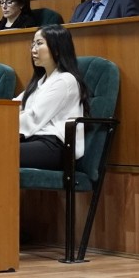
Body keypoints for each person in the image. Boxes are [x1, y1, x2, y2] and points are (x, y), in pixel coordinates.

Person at [15, 25, 90, 170]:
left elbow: (34, 117)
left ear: (57, 48)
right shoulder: (39, 81)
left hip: (54, 145)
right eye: (33, 44)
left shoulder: (65, 80)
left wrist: (4, 125)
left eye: (39, 43)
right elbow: (13, 106)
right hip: (33, 140)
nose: (33, 50)